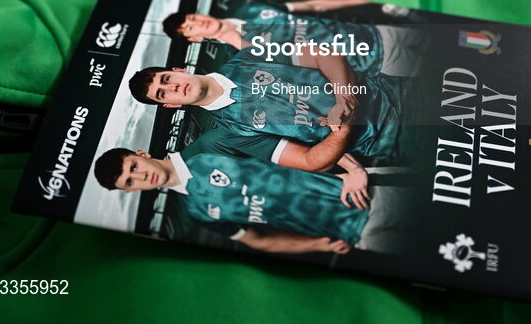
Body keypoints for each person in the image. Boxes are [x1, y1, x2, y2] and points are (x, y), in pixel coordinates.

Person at [129, 43, 421, 168]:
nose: (172, 88)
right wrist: (340, 133)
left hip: (396, 91)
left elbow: (320, 53)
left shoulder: (246, 55)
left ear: (178, 70)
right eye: (163, 94)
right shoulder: (229, 133)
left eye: (166, 79)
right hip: (392, 141)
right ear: (169, 106)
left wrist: (343, 97)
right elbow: (310, 161)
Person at [94, 144, 413, 256]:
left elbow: (303, 141)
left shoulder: (210, 147)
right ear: (131, 192)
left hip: (375, 193)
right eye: (129, 182)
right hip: (359, 235)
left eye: (134, 167)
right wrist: (317, 245)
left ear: (141, 154)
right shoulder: (196, 211)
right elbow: (259, 241)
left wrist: (353, 168)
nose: (139, 177)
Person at [162, 0, 426, 77]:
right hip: (374, 63)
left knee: (452, 42)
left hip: (375, 31)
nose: (198, 23)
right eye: (190, 28)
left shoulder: (250, 8)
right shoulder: (237, 55)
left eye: (193, 18)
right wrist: (236, 38)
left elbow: (313, 6)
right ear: (194, 39)